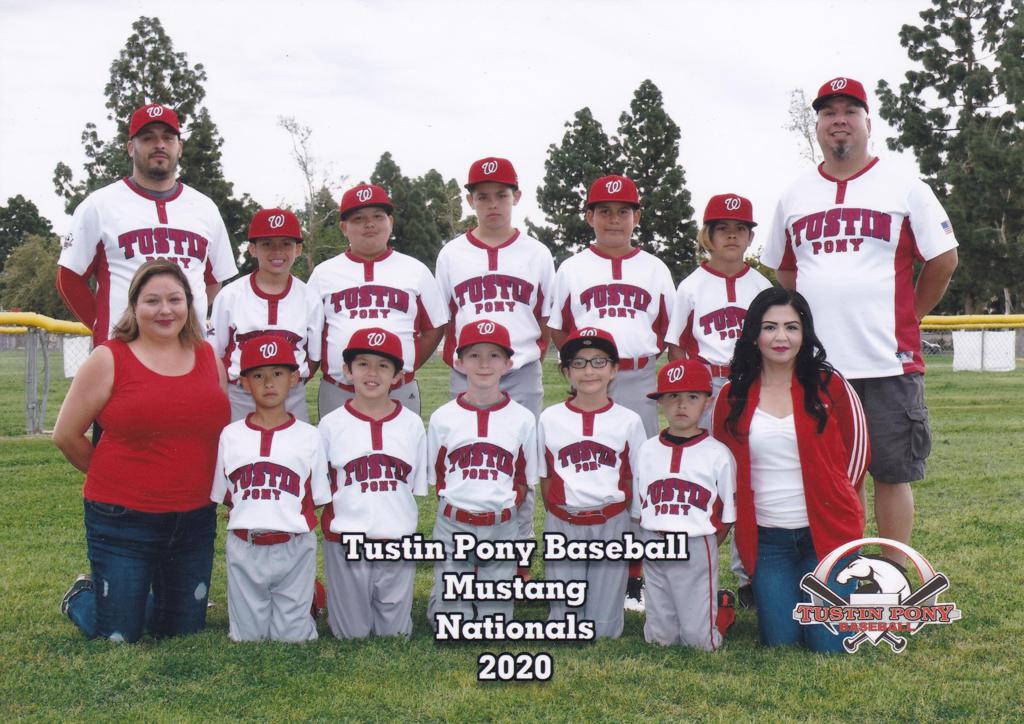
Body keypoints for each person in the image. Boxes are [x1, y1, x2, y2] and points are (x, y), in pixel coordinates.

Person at [760, 76, 958, 566]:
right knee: (825, 474)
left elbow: (943, 260)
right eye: (829, 113)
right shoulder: (795, 194)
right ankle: (833, 566)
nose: (839, 120)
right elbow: (784, 269)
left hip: (886, 360)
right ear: (819, 126)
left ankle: (890, 574)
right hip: (819, 365)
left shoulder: (906, 185)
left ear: (868, 122)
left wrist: (909, 314)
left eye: (850, 110)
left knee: (892, 472)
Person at [53, 259, 230, 642]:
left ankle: (138, 597)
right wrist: (114, 479)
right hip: (122, 519)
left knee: (182, 632)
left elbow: (220, 434)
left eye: (174, 299)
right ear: (134, 306)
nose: (165, 310)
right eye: (152, 301)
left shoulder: (208, 358)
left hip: (194, 518)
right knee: (119, 635)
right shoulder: (108, 358)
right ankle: (84, 596)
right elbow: (66, 435)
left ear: (189, 304)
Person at [712, 287, 869, 653]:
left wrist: (846, 515)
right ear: (754, 334)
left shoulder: (831, 385)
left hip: (826, 537)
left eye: (791, 327)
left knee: (827, 647)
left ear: (805, 333)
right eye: (769, 327)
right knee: (780, 642)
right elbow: (721, 468)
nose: (781, 337)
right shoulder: (732, 396)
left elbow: (857, 458)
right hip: (769, 543)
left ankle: (846, 590)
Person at [547, 175, 673, 609]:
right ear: (589, 216)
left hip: (638, 377)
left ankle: (633, 575)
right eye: (604, 210)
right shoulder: (572, 267)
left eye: (623, 211)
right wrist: (584, 367)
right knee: (591, 465)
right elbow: (558, 326)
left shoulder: (654, 267)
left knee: (640, 470)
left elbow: (667, 329)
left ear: (636, 217)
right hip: (589, 379)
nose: (614, 219)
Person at [435, 156, 555, 578]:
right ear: (470, 200)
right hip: (468, 372)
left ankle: (517, 560)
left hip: (520, 370)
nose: (492, 204)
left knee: (517, 464)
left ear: (516, 197)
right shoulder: (452, 254)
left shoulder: (537, 253)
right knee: (467, 459)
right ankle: (465, 553)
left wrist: (526, 356)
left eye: (501, 195)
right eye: (482, 196)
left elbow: (545, 316)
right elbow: (447, 316)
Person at [665, 193, 771, 608]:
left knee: (750, 477)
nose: (731, 235)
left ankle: (748, 575)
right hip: (709, 388)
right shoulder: (691, 285)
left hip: (751, 387)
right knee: (704, 476)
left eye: (740, 228)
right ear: (707, 236)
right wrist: (695, 396)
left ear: (749, 237)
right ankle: (696, 561)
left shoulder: (761, 286)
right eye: (722, 228)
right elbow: (676, 348)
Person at [57, 103, 238, 347]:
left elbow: (213, 280)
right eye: (148, 137)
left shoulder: (205, 208)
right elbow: (68, 277)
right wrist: (103, 325)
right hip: (123, 352)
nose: (160, 144)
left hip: (188, 352)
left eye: (168, 137)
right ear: (131, 148)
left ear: (179, 147)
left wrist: (184, 317)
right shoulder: (99, 205)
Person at [211, 336, 331, 642]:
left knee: (293, 638)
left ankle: (308, 597)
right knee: (247, 638)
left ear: (294, 378)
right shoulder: (231, 435)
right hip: (245, 545)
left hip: (293, 545)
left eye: (278, 373)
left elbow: (315, 497)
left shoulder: (309, 435)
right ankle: (297, 600)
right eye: (258, 375)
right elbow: (227, 496)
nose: (268, 383)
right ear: (244, 383)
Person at [426, 320, 538, 627]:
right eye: (474, 356)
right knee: (449, 624)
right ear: (459, 363)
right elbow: (439, 477)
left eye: (494, 356)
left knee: (495, 623)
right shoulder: (443, 418)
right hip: (453, 523)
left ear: (508, 363)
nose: (485, 364)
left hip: (501, 524)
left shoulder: (523, 419)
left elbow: (524, 481)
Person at [318, 327, 428, 639]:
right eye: (363, 364)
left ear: (397, 376)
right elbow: (323, 487)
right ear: (347, 371)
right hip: (346, 542)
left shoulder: (412, 425)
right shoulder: (330, 425)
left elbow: (413, 488)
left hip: (397, 540)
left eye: (383, 366)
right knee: (351, 634)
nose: (372, 373)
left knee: (395, 634)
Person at [538, 327, 648, 639]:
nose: (589, 371)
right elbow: (545, 476)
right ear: (565, 371)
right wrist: (561, 512)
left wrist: (633, 523)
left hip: (610, 520)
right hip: (564, 520)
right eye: (579, 362)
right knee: (564, 623)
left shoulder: (629, 420)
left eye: (599, 362)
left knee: (604, 629)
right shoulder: (550, 418)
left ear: (614, 369)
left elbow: (635, 476)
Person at [307, 183, 448, 417]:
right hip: (340, 389)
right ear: (344, 227)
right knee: (338, 453)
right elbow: (312, 331)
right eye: (358, 218)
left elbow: (434, 328)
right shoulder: (324, 273)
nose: (369, 224)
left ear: (390, 222)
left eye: (378, 216)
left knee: (401, 452)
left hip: (398, 390)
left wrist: (402, 367)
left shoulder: (415, 270)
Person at [634, 358, 737, 651]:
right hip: (654, 539)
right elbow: (640, 503)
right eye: (673, 397)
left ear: (707, 401)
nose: (682, 405)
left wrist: (706, 546)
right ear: (660, 402)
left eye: (692, 397)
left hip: (696, 542)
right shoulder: (647, 449)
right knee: (660, 640)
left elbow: (726, 516)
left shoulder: (718, 453)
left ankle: (723, 611)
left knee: (700, 643)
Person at [209, 208, 322, 421]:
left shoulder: (309, 298)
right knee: (240, 452)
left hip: (291, 396)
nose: (277, 251)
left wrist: (285, 385)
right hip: (241, 394)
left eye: (286, 244)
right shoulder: (230, 295)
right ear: (252, 248)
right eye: (267, 244)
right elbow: (216, 354)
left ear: (298, 249)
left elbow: (313, 358)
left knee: (294, 451)